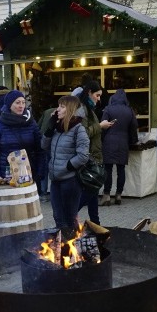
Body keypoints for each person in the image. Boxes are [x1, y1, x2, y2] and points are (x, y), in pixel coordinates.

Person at [42, 95, 90, 228]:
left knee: (69, 219)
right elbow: (43, 146)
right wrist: (49, 128)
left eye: (62, 107)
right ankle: (62, 246)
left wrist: (67, 166)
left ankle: (73, 246)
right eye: (58, 106)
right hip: (55, 180)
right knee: (58, 217)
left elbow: (83, 155)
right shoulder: (57, 128)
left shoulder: (78, 129)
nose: (58, 109)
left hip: (70, 181)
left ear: (70, 109)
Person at [75, 81, 115, 224]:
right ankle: (69, 216)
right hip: (88, 159)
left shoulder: (88, 109)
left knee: (93, 193)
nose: (99, 99)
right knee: (90, 191)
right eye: (97, 95)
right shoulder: (82, 110)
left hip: (93, 157)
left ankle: (96, 225)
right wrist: (100, 126)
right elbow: (82, 133)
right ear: (89, 93)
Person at [0, 90, 42, 183]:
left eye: (23, 102)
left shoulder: (31, 122)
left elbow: (40, 150)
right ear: (9, 104)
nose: (21, 106)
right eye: (17, 102)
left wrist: (40, 173)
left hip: (30, 174)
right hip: (7, 176)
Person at [100, 88, 138, 205]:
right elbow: (134, 127)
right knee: (121, 170)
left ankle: (106, 195)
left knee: (108, 170)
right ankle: (118, 195)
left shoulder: (108, 109)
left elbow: (102, 126)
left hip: (108, 142)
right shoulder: (129, 111)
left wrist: (101, 140)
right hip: (123, 143)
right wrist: (133, 141)